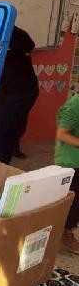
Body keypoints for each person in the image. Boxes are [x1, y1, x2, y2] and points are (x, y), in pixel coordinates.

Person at [0, 26, 39, 164]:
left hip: (13, 94)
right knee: (8, 129)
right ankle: (4, 156)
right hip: (18, 93)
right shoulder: (14, 38)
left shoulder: (6, 42)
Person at [54, 94, 79, 254]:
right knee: (73, 201)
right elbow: (62, 134)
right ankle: (65, 233)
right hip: (71, 162)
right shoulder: (75, 104)